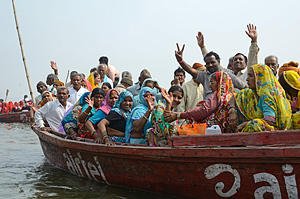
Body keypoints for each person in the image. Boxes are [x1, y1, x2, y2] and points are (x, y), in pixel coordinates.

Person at [228, 64, 292, 132]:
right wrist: (232, 111)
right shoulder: (251, 92)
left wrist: (244, 124)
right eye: (248, 75)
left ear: (260, 78)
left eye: (251, 76)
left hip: (273, 130)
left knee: (255, 125)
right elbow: (234, 97)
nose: (247, 79)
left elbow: (270, 120)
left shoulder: (267, 94)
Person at [165, 72, 235, 133]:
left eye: (212, 83)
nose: (210, 86)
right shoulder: (232, 97)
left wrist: (179, 115)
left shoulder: (218, 96)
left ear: (220, 83)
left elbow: (202, 111)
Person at [175, 44, 246, 100]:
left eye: (212, 62)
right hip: (207, 111)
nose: (210, 65)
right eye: (207, 63)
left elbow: (244, 86)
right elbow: (190, 70)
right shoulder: (204, 76)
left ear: (218, 62)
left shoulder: (227, 75)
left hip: (224, 112)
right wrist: (180, 61)